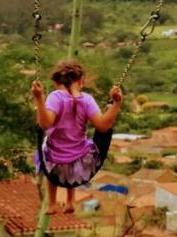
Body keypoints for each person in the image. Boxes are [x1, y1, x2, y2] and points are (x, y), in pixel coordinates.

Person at [31, 58, 123, 213]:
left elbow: (45, 124)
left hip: (55, 159)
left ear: (57, 82)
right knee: (74, 167)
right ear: (81, 81)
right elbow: (102, 126)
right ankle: (70, 201)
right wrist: (117, 104)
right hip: (80, 159)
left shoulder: (55, 97)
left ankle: (52, 203)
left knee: (46, 156)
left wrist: (39, 98)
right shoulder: (87, 99)